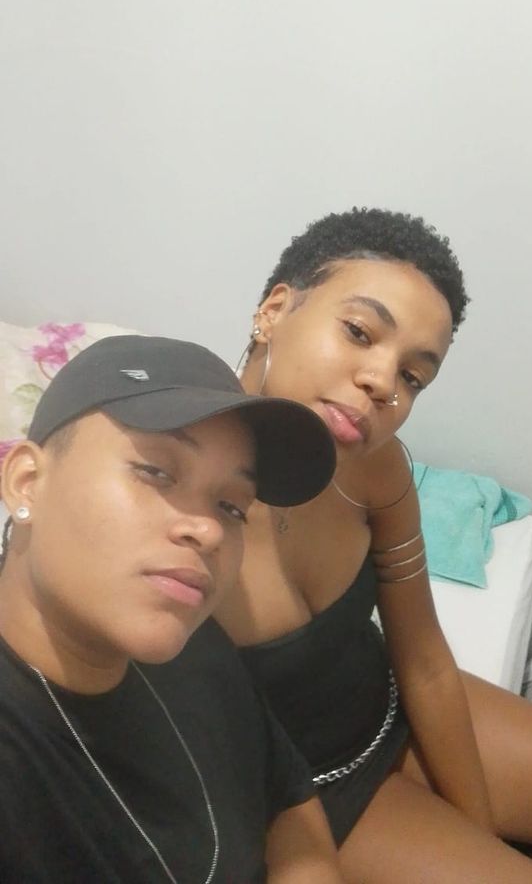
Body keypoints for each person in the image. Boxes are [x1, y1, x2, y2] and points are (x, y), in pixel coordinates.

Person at [214, 207, 532, 882]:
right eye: (358, 332)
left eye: (412, 377)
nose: (383, 383)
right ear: (274, 310)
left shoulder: (373, 469)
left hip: (393, 707)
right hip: (306, 793)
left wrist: (478, 830)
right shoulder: (181, 496)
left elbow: (425, 662)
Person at [0, 334, 343, 884]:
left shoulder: (189, 638)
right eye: (156, 472)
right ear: (27, 482)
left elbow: (291, 806)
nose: (209, 531)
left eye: (231, 506)